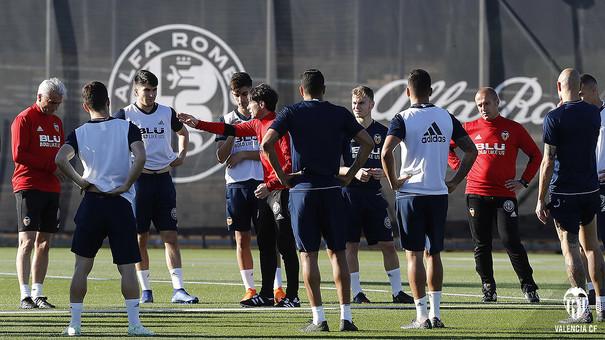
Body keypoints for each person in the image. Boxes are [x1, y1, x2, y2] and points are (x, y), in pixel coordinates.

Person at [261, 69, 374, 332]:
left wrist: (282, 177)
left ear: (302, 90)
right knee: (338, 254)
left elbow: (267, 144)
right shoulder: (339, 113)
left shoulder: (292, 111)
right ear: (324, 90)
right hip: (332, 190)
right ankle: (346, 318)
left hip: (303, 193)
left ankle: (319, 319)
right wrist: (352, 173)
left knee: (307, 256)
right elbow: (367, 142)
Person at [178, 83, 300, 307]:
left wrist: (271, 184)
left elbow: (288, 166)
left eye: (251, 101)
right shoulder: (257, 123)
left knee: (285, 244)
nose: (247, 105)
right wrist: (197, 123)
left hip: (281, 191)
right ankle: (266, 294)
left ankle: (292, 296)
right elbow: (228, 129)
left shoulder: (278, 125)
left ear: (261, 104)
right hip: (268, 190)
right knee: (265, 243)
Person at [55, 81, 153, 336]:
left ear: (86, 105)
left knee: (81, 267)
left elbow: (59, 159)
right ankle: (134, 325)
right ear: (109, 102)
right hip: (119, 204)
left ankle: (74, 324)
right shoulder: (128, 127)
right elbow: (141, 157)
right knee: (128, 267)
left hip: (92, 204)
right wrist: (126, 184)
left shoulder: (79, 132)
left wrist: (81, 182)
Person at [382, 69, 477, 329]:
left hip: (411, 194)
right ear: (431, 91)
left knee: (413, 256)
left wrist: (393, 182)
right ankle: (436, 315)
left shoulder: (402, 118)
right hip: (437, 194)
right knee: (433, 254)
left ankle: (422, 317)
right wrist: (455, 181)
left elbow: (385, 152)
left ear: (407, 92)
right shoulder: (446, 116)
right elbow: (471, 150)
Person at [448, 87, 541, 303]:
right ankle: (488, 287)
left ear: (497, 102)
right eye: (479, 104)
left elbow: (536, 155)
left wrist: (523, 181)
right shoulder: (468, 128)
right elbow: (448, 148)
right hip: (476, 193)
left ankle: (529, 286)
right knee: (482, 244)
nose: (483, 108)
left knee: (511, 241)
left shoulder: (513, 129)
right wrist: (459, 168)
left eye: (487, 103)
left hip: (504, 195)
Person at [114, 70, 197, 304]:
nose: (150, 95)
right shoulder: (125, 115)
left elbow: (182, 132)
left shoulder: (166, 112)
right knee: (140, 237)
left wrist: (181, 154)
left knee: (170, 236)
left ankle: (178, 289)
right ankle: (146, 289)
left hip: (163, 181)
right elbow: (114, 142)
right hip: (140, 183)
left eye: (153, 90)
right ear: (136, 91)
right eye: (146, 90)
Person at [536, 68, 605, 323]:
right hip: (590, 190)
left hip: (565, 191)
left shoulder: (554, 117)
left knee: (571, 249)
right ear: (579, 88)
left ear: (557, 87)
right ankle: (602, 305)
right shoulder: (593, 113)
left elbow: (548, 160)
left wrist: (540, 198)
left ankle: (582, 310)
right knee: (593, 247)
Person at [339, 86, 413, 305]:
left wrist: (383, 172)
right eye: (353, 103)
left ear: (371, 105)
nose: (356, 107)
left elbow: (389, 161)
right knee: (350, 245)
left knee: (388, 244)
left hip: (374, 195)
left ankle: (397, 292)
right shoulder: (344, 132)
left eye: (361, 103)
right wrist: (354, 172)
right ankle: (356, 293)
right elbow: (335, 167)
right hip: (349, 195)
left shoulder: (382, 131)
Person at [213, 72, 279, 306]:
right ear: (231, 96)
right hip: (236, 186)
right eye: (236, 95)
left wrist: (243, 154)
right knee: (242, 238)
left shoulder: (263, 118)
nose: (241, 99)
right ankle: (250, 288)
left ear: (251, 93)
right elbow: (221, 157)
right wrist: (231, 133)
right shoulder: (227, 119)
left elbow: (269, 151)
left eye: (244, 94)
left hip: (262, 184)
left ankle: (276, 287)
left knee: (268, 238)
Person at [11, 78, 66, 309]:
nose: (54, 107)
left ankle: (38, 294)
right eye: (51, 102)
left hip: (51, 188)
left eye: (58, 103)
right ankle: (24, 295)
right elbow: (19, 154)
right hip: (28, 185)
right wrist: (49, 165)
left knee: (44, 243)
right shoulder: (24, 119)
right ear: (39, 96)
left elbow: (61, 153)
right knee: (27, 242)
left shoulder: (56, 122)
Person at [579, 73, 605, 304]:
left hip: (604, 186)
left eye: (581, 93)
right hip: (584, 186)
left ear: (593, 91)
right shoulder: (577, 116)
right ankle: (591, 290)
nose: (578, 98)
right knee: (584, 242)